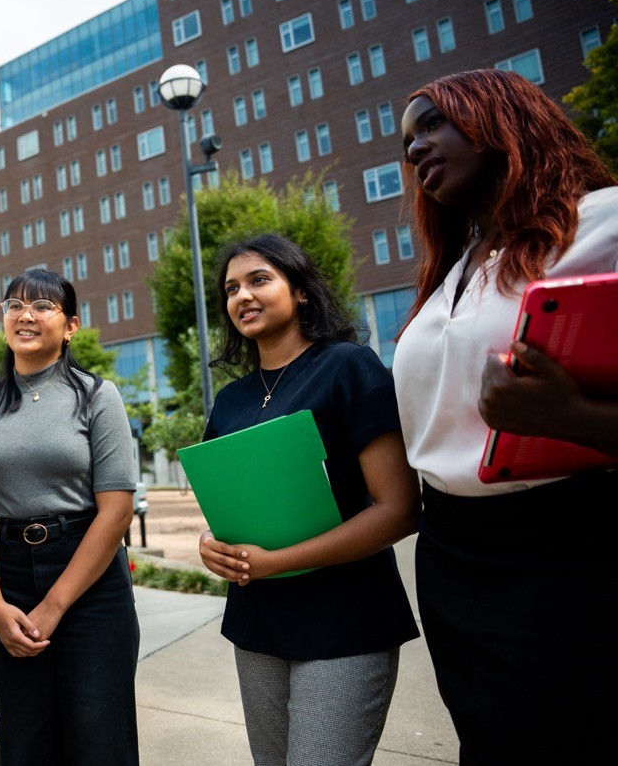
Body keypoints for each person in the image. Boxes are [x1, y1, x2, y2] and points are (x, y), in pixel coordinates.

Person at [393, 68, 618, 764]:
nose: (417, 149)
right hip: (454, 554)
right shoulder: (454, 269)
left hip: (564, 543)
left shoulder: (603, 220)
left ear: (499, 116)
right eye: (408, 143)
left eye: (434, 123)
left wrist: (572, 414)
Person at [197, 234, 420, 766]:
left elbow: (399, 508)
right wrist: (211, 544)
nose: (242, 297)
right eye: (231, 288)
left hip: (345, 617)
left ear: (299, 291)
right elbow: (227, 512)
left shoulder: (349, 366)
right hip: (258, 622)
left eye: (259, 280)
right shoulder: (231, 399)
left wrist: (277, 562)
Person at [0, 268, 140, 766]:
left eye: (41, 306)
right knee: (25, 741)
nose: (25, 315)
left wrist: (55, 605)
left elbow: (117, 509)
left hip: (91, 577)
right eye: (14, 305)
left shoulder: (99, 396)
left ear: (71, 325)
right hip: (11, 575)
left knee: (100, 737)